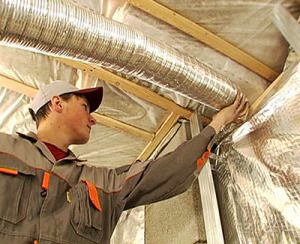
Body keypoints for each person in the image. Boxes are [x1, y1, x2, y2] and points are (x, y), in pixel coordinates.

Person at [0, 80, 248, 244]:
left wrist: (217, 124)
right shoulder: (4, 149)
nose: (93, 119)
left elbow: (168, 172)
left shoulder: (104, 182)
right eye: (85, 106)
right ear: (57, 103)